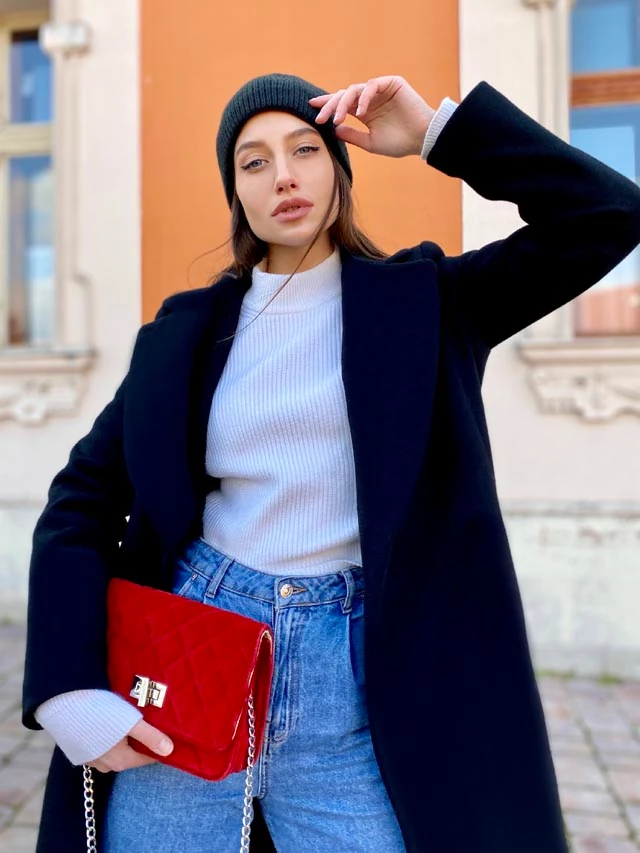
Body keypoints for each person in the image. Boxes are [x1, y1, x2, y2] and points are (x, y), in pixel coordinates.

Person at [21, 71, 640, 853]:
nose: (282, 175)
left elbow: (606, 215)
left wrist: (436, 133)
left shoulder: (428, 303)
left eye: (305, 149)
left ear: (340, 167)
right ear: (236, 194)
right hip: (195, 670)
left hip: (353, 685)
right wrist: (68, 686)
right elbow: (81, 498)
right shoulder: (184, 333)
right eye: (253, 162)